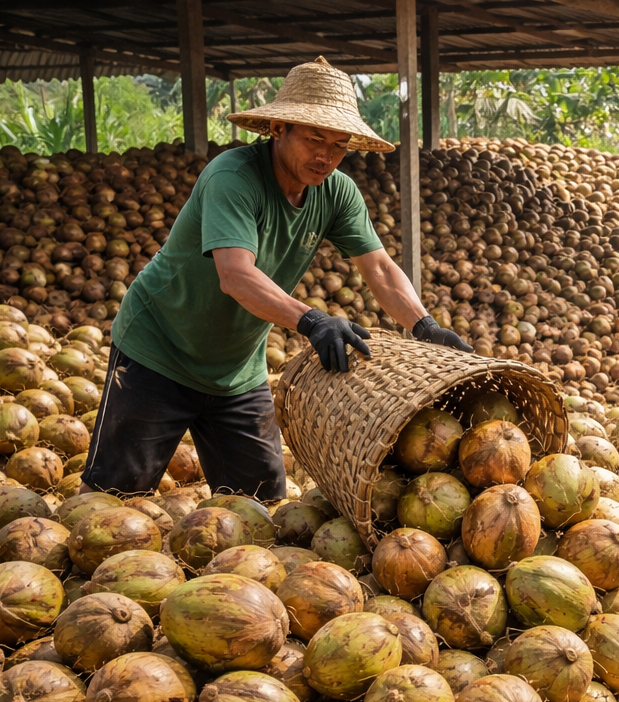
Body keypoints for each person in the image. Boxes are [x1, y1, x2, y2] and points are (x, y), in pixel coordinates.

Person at [82, 57, 467, 501]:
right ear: (278, 128)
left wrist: (425, 327)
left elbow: (378, 267)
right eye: (314, 138)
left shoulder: (336, 191)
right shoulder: (233, 177)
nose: (325, 155)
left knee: (263, 508)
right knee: (108, 503)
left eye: (339, 144)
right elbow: (236, 275)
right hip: (157, 353)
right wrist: (312, 321)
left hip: (235, 371)